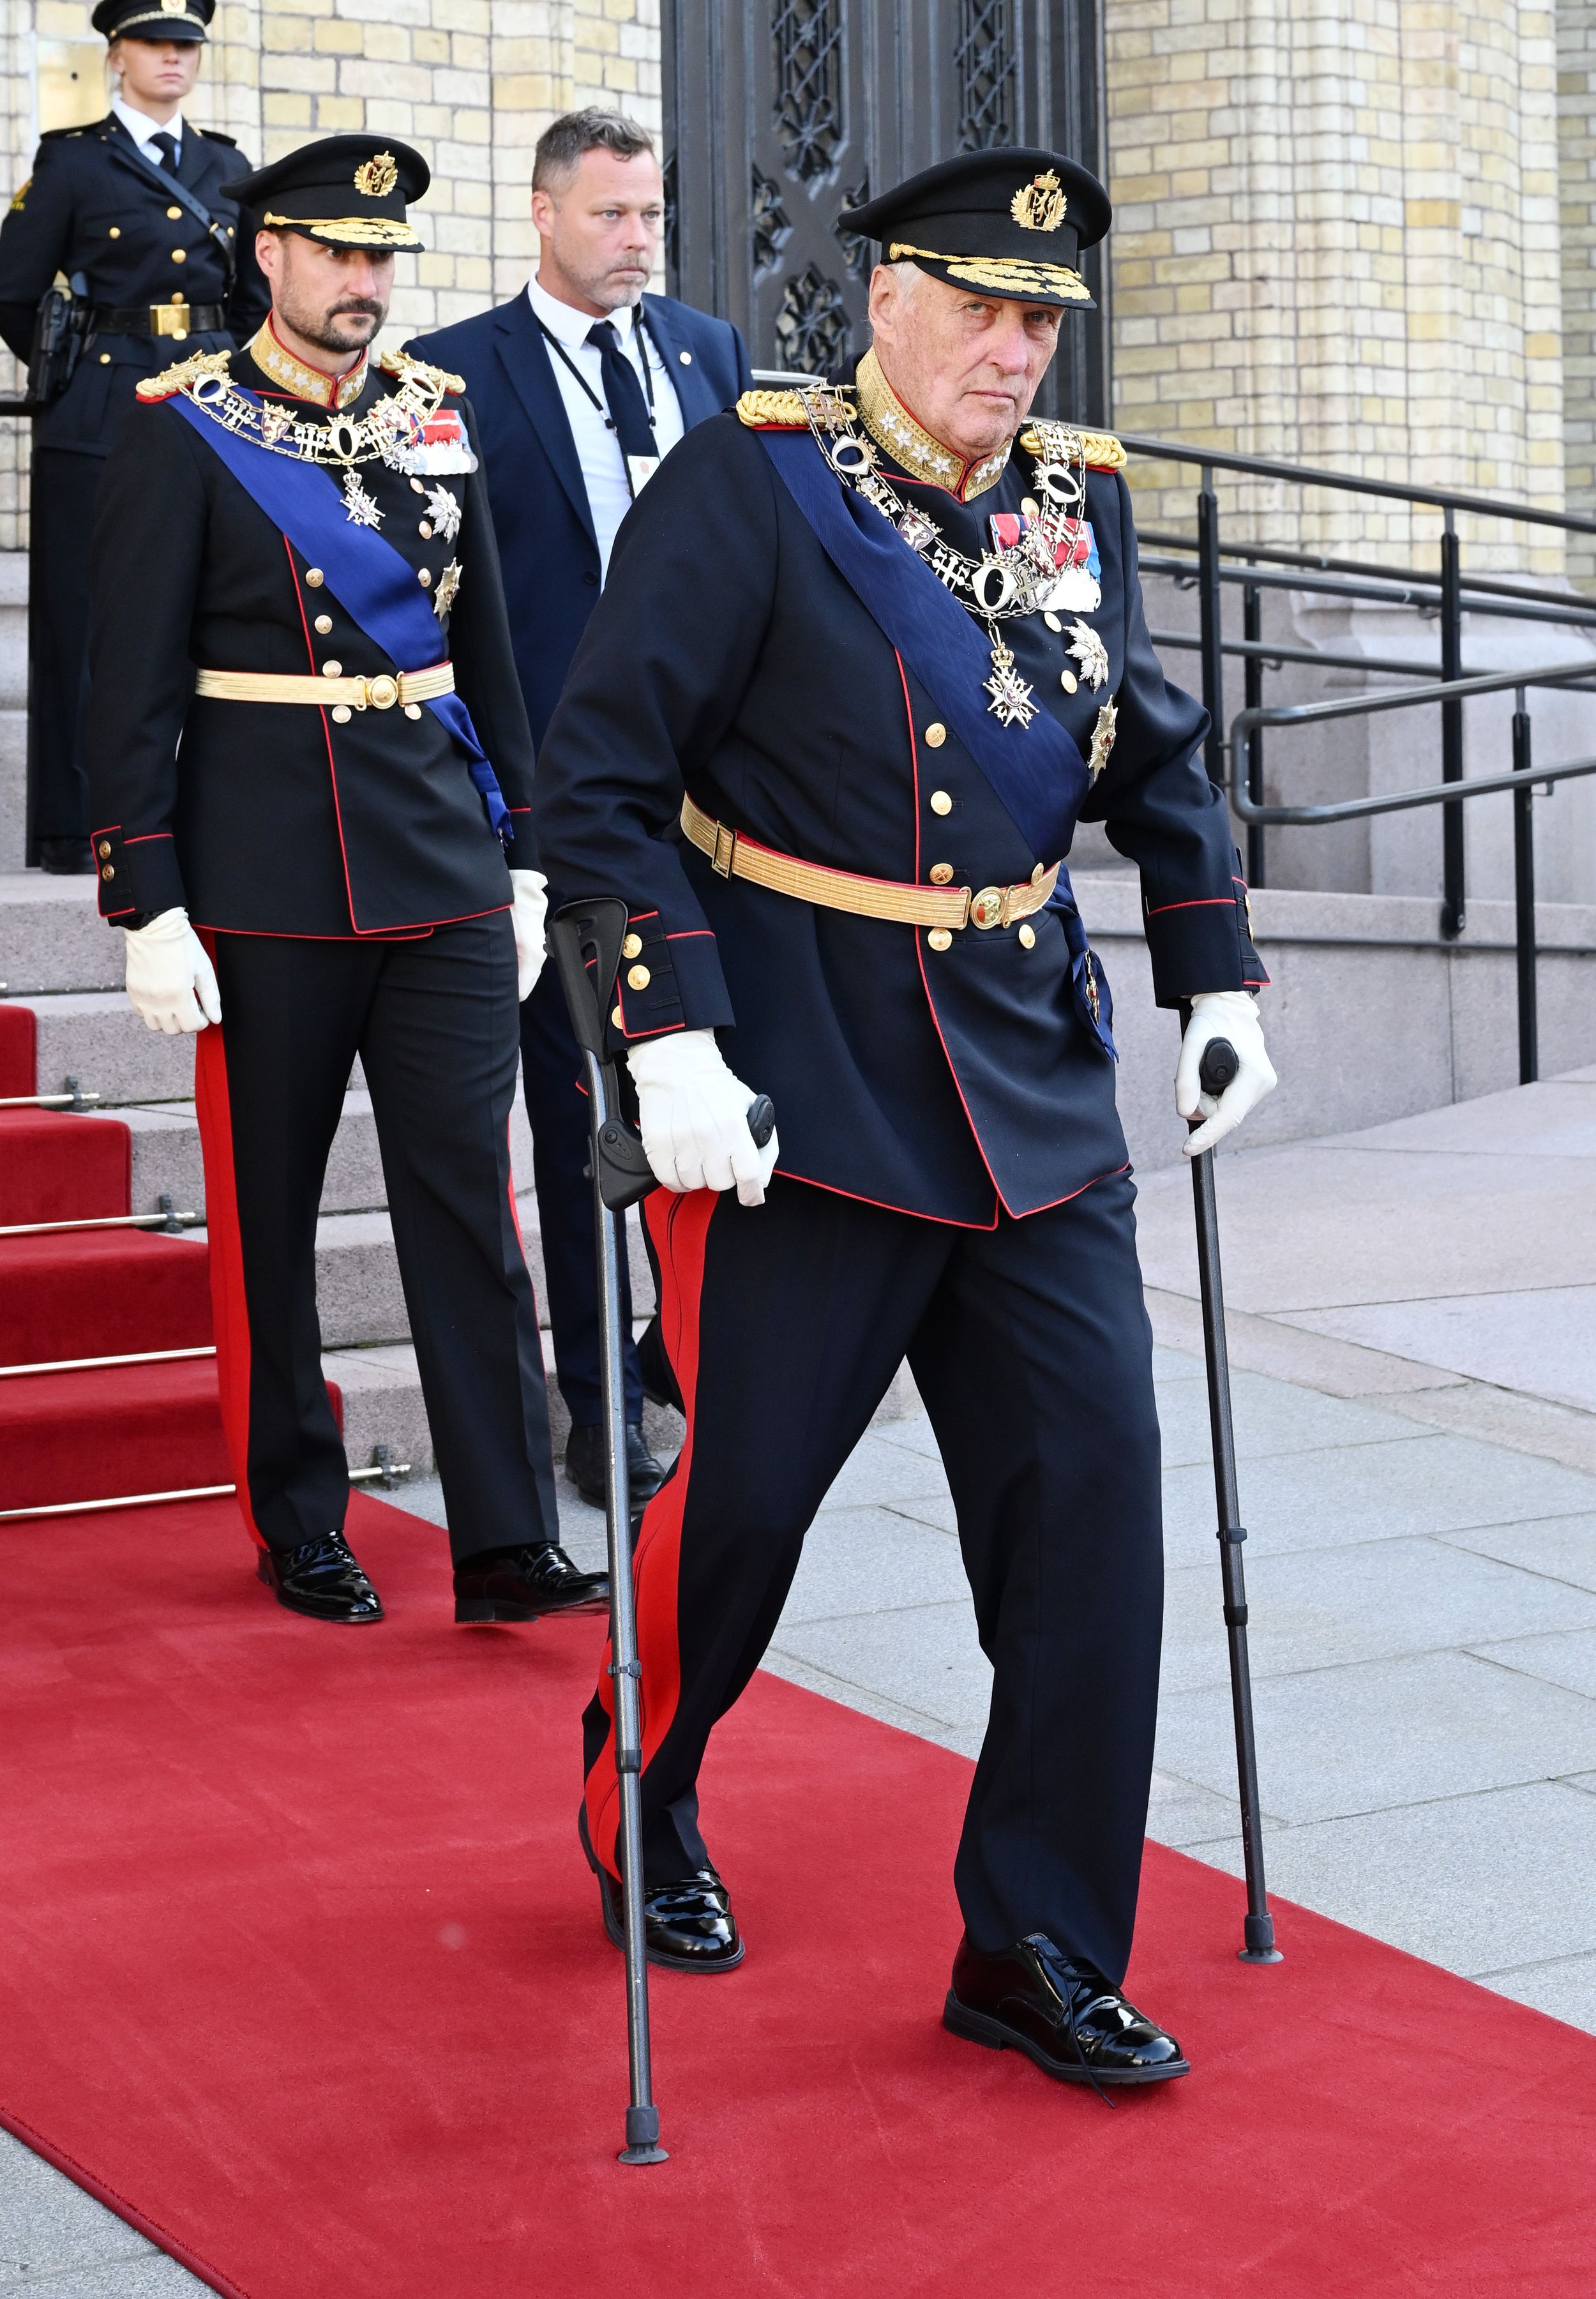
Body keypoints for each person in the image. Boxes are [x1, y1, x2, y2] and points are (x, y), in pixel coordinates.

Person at [532, 149, 1278, 2084]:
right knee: (747, 1509)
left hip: (1024, 1085)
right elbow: (600, 783)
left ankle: (1033, 1940)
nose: (1014, 350)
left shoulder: (1073, 502)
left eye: (1041, 319)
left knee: (1092, 1509)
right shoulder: (752, 482)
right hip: (806, 1089)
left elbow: (1149, 743)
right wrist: (664, 1035)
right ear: (883, 301)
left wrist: (1213, 971)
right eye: (980, 306)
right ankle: (649, 1779)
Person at [85, 133, 606, 1632]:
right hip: (263, 883)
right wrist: (148, 896)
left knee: (467, 1199)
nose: (364, 282)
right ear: (271, 255)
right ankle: (297, 1513)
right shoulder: (185, 428)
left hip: (439, 864)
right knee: (273, 1220)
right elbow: (127, 691)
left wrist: (519, 855)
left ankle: (504, 1531)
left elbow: (491, 655)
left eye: (383, 257)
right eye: (336, 252)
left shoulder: (436, 419)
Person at [405, 109, 752, 1516]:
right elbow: (453, 609)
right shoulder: (456, 376)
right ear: (542, 216)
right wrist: (500, 814)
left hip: (722, 794)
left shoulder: (709, 355)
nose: (634, 242)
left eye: (649, 217)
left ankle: (685, 1359)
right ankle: (598, 1408)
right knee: (577, 1104)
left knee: (731, 1066)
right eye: (609, 216)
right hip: (563, 794)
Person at [0, 0, 268, 874]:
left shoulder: (227, 167)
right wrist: (82, 372)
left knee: (218, 609)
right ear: (116, 54)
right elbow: (13, 292)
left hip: (211, 406)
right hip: (104, 410)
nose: (173, 61)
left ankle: (208, 814)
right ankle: (77, 830)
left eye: (187, 46)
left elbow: (258, 303)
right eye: (155, 44)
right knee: (83, 618)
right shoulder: (72, 163)